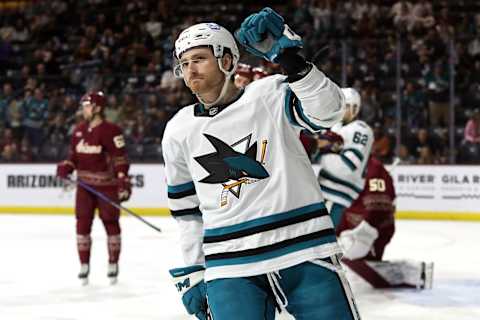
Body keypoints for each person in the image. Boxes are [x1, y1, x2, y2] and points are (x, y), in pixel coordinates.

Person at [164, 8, 361, 320]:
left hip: (304, 251)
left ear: (227, 60)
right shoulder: (177, 130)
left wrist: (292, 61)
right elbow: (186, 211)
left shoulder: (270, 93)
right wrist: (192, 270)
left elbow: (329, 113)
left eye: (199, 58)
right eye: (184, 63)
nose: (190, 68)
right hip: (229, 266)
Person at [56, 91, 131, 285]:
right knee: (82, 224)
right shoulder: (78, 130)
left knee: (110, 223)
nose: (84, 110)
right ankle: (84, 264)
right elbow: (73, 157)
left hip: (106, 187)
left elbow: (120, 158)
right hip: (84, 187)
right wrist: (66, 167)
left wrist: (123, 180)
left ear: (98, 108)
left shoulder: (112, 130)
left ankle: (113, 263)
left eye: (87, 106)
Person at [337, 156, 434, 289]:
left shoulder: (374, 168)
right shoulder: (344, 165)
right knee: (347, 256)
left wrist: (366, 232)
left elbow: (380, 207)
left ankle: (416, 273)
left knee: (357, 259)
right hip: (352, 229)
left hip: (370, 231)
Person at [316, 87, 374, 228]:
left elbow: (349, 165)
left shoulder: (360, 129)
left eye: (345, 106)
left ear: (355, 108)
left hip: (340, 190)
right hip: (325, 186)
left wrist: (321, 154)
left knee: (326, 237)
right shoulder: (335, 127)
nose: (341, 110)